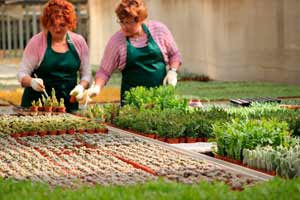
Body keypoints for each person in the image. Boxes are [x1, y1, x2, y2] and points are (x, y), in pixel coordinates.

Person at [88, 0, 182, 105]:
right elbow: (104, 71)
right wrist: (96, 87)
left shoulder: (159, 30)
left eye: (128, 22)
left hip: (161, 99)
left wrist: (172, 71)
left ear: (140, 20)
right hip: (131, 102)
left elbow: (174, 55)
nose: (124, 26)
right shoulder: (117, 41)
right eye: (121, 21)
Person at [17, 0, 91, 112]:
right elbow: (22, 74)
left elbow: (86, 75)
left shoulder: (79, 42)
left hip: (68, 105)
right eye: (52, 25)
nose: (57, 29)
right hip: (37, 106)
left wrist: (81, 87)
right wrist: (32, 82)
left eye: (62, 25)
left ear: (70, 23)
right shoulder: (37, 42)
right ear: (46, 24)